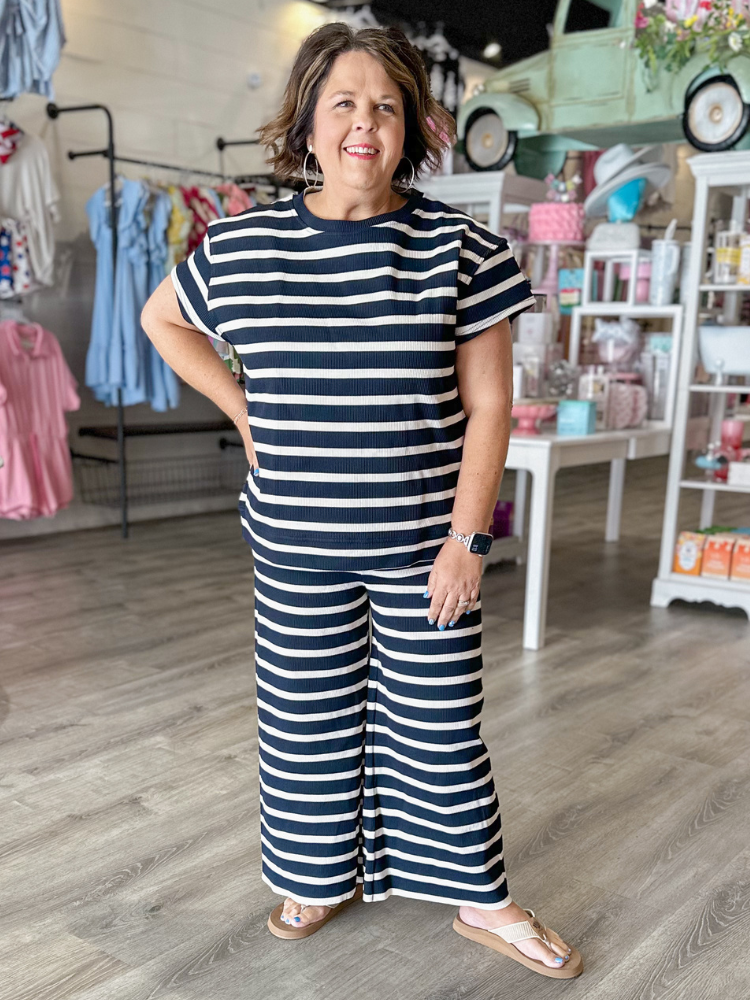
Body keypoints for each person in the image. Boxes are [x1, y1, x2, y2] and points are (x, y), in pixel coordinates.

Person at [141, 21, 582, 981]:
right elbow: (161, 319)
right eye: (343, 102)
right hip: (293, 541)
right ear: (306, 122)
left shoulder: (461, 248)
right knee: (304, 721)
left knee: (440, 723)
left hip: (424, 543)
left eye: (386, 106)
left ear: (410, 127)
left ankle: (482, 898)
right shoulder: (242, 245)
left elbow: (491, 406)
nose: (364, 124)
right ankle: (315, 877)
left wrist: (469, 540)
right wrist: (244, 409)